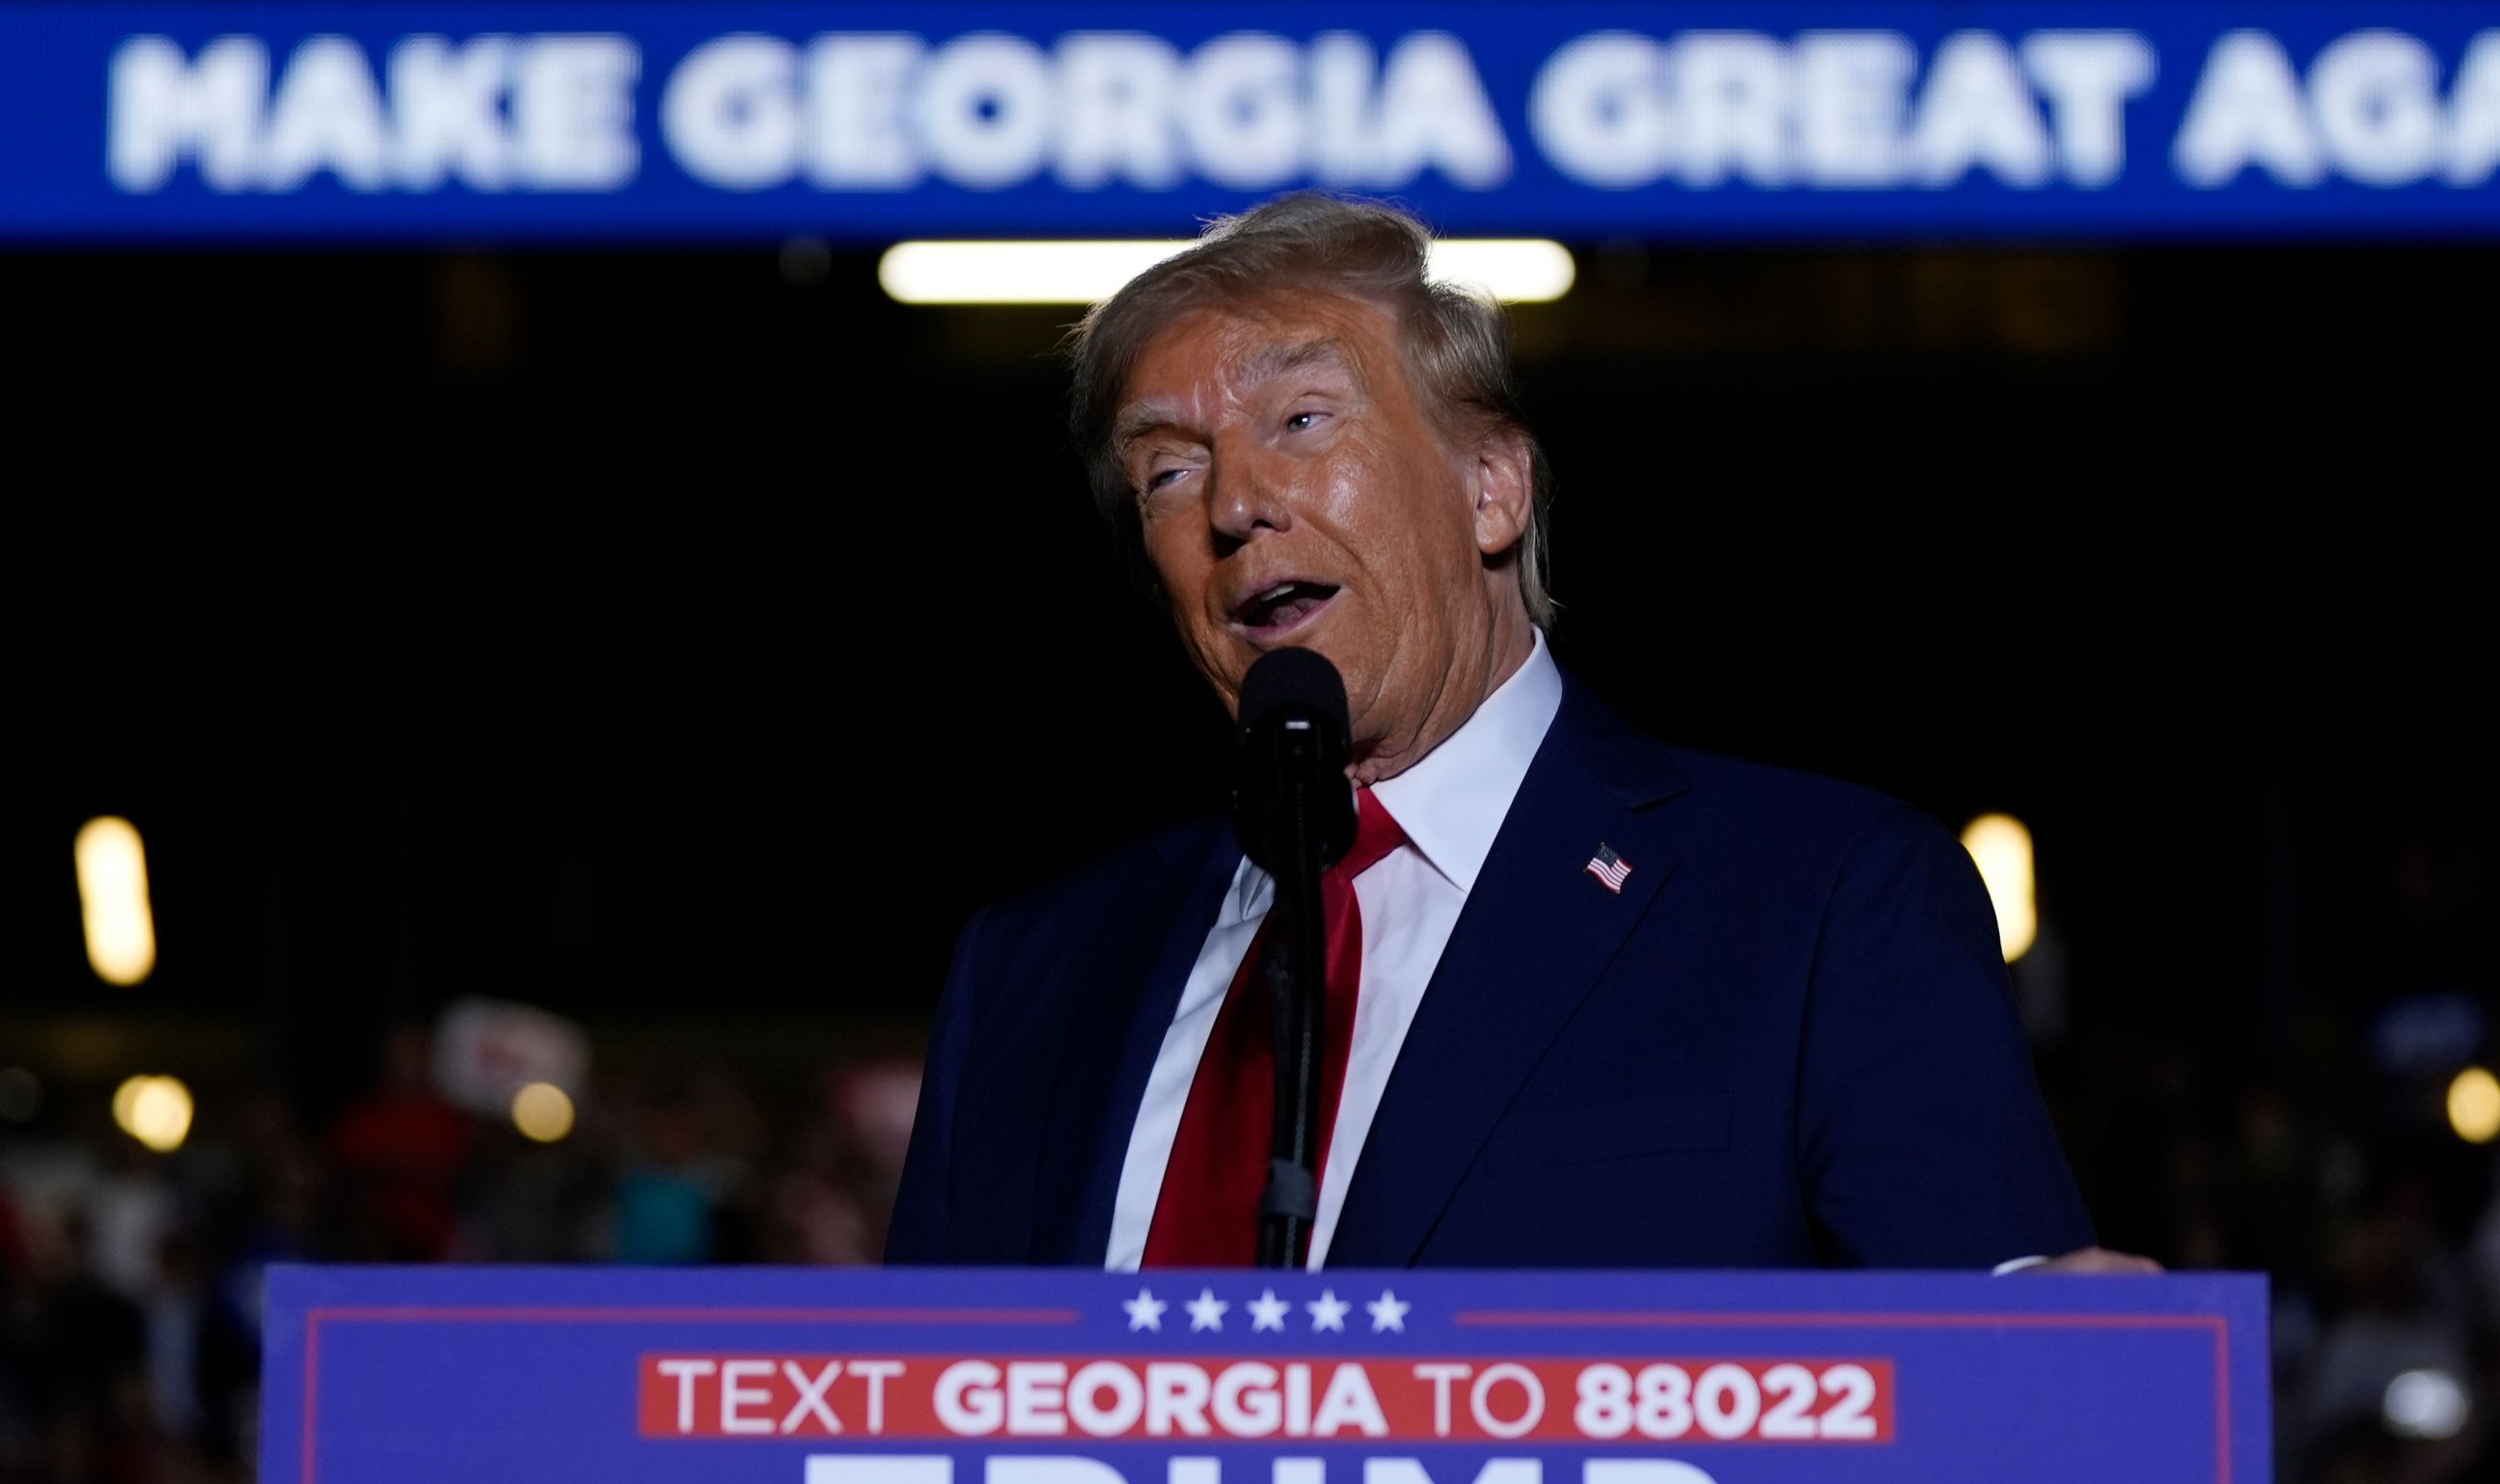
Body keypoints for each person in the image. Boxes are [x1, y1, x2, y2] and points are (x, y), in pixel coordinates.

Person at [889, 192, 2135, 1274]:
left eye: (1302, 421)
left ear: (1493, 488)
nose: (1233, 504)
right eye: (1167, 471)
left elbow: (1999, 1423)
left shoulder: (1824, 905)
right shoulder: (1031, 979)